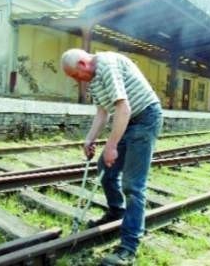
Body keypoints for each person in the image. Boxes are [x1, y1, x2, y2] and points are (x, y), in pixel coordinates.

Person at [61, 48, 162, 266]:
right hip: (128, 121)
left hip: (145, 118)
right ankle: (117, 212)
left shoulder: (107, 65)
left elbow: (123, 107)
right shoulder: (94, 80)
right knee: (106, 172)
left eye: (76, 76)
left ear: (82, 64)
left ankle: (128, 248)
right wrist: (89, 139)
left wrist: (111, 145)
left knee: (133, 185)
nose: (78, 81)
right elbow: (102, 113)